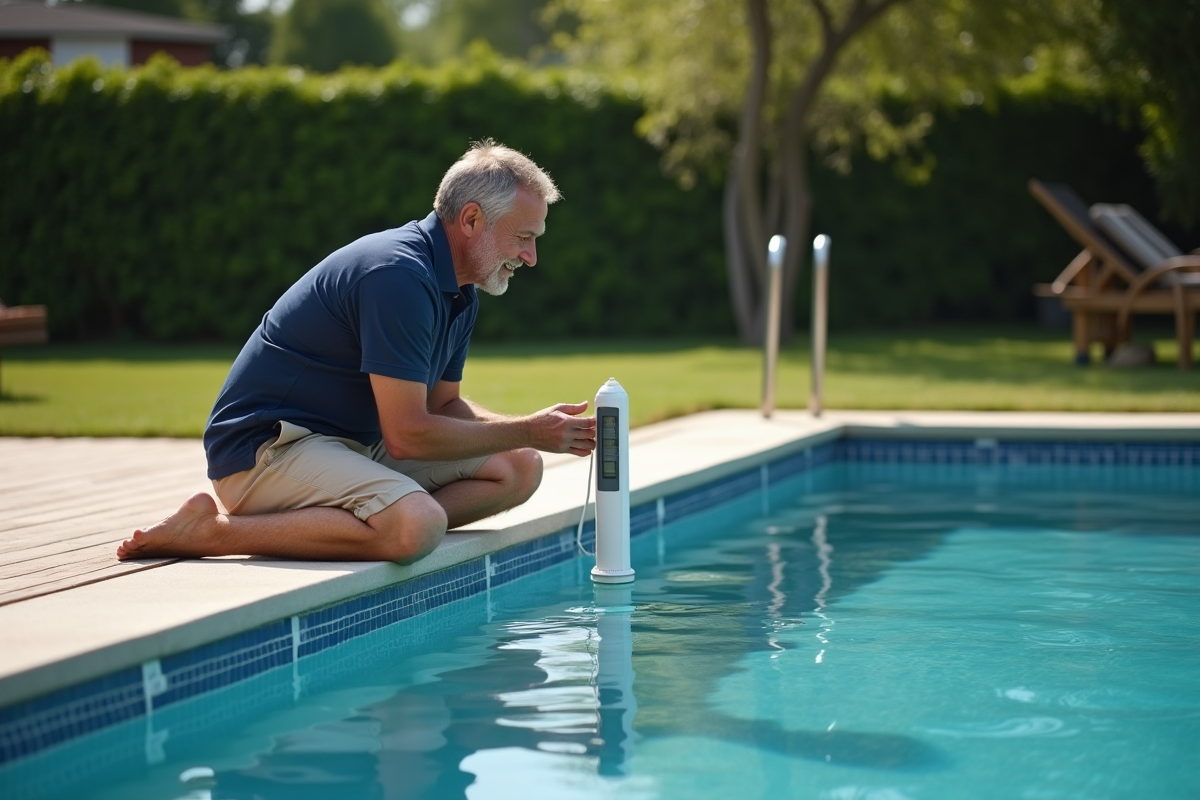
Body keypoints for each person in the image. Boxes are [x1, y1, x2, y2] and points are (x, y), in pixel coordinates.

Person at [118, 141, 595, 565]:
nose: (530, 258)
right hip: (265, 451)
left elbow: (442, 406)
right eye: (524, 238)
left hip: (350, 445)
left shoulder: (460, 289)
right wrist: (529, 429)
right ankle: (210, 533)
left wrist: (533, 432)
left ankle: (371, 523)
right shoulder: (398, 276)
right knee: (417, 526)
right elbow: (408, 435)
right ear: (471, 220)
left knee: (521, 466)